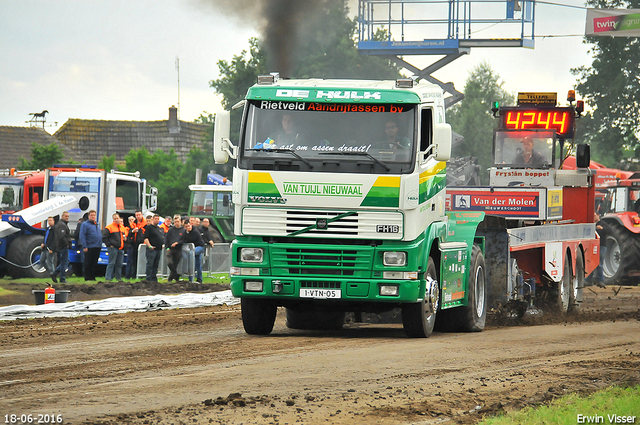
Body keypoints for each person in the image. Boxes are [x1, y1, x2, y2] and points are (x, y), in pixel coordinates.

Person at [78, 210, 102, 281]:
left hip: (97, 246)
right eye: (91, 215)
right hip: (89, 246)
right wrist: (84, 246)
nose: (93, 216)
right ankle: (87, 277)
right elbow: (82, 236)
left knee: (94, 263)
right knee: (88, 262)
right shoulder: (85, 225)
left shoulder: (97, 224)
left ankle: (92, 276)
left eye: (94, 215)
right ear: (89, 216)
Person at [50, 211, 72, 283]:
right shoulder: (62, 225)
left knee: (65, 261)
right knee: (64, 262)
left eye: (68, 216)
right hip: (62, 246)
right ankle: (62, 278)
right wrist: (67, 244)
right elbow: (62, 237)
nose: (67, 217)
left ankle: (55, 273)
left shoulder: (62, 224)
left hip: (61, 246)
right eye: (66, 216)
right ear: (62, 216)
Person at [103, 213, 125, 282]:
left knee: (119, 264)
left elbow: (124, 236)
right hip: (113, 248)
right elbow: (104, 238)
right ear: (113, 219)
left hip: (120, 248)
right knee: (111, 263)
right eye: (114, 218)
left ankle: (118, 278)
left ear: (119, 218)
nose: (116, 220)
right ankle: (108, 277)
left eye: (117, 218)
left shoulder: (122, 227)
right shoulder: (109, 227)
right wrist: (109, 245)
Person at [142, 214, 164, 283]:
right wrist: (150, 246)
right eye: (155, 219)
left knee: (156, 265)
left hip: (159, 249)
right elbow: (146, 238)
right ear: (153, 219)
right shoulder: (149, 228)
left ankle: (154, 278)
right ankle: (149, 278)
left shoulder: (159, 228)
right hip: (152, 249)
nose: (157, 220)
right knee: (150, 264)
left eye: (158, 219)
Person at [165, 215, 185, 282]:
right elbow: (166, 239)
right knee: (169, 263)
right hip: (170, 249)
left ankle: (170, 279)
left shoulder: (183, 230)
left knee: (175, 264)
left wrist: (177, 243)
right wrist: (167, 247)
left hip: (178, 249)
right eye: (175, 222)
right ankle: (176, 275)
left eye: (178, 221)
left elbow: (184, 240)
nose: (176, 223)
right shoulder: (170, 230)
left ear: (180, 222)